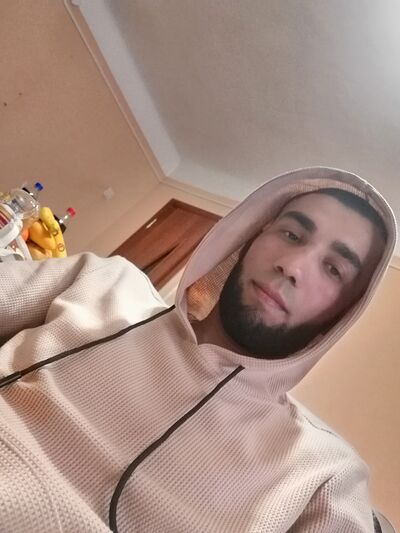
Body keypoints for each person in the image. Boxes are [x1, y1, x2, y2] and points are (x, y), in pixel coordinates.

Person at [0, 167, 396, 532]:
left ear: (342, 312)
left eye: (334, 269)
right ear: (250, 240)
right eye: (291, 234)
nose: (293, 266)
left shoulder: (323, 472)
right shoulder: (104, 281)